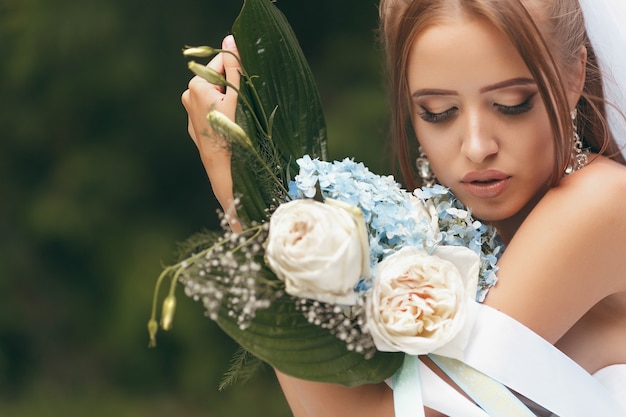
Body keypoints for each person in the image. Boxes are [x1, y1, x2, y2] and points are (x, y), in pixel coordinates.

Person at [181, 0, 626, 415]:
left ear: (573, 77)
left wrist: (244, 202)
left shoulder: (601, 203)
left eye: (511, 105)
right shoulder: (438, 236)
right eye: (438, 111)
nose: (476, 146)